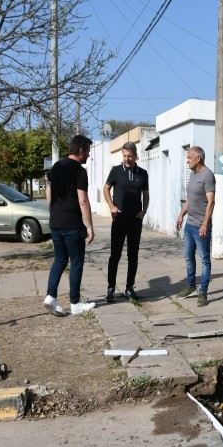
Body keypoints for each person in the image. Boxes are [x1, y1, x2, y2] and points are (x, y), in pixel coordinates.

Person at [43, 134, 97, 317]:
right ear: (81, 151)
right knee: (76, 262)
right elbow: (83, 200)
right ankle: (75, 303)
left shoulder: (56, 166)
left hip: (56, 223)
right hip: (72, 225)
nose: (89, 155)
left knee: (59, 260)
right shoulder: (80, 171)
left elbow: (49, 194)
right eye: (88, 151)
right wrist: (89, 227)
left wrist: (54, 214)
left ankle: (51, 296)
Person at [103, 142, 150, 302]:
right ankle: (110, 288)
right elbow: (106, 188)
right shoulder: (116, 171)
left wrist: (144, 211)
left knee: (133, 256)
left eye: (129, 156)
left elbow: (146, 194)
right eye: (124, 156)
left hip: (135, 221)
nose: (127, 159)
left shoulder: (142, 173)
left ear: (136, 156)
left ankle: (129, 288)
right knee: (115, 255)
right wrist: (111, 206)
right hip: (119, 220)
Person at [175, 146, 215, 307]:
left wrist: (205, 223)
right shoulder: (193, 174)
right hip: (189, 224)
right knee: (188, 257)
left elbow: (211, 202)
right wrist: (181, 214)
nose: (187, 160)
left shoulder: (208, 176)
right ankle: (191, 285)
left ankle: (203, 292)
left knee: (204, 260)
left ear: (198, 158)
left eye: (189, 157)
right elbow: (190, 199)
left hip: (201, 226)